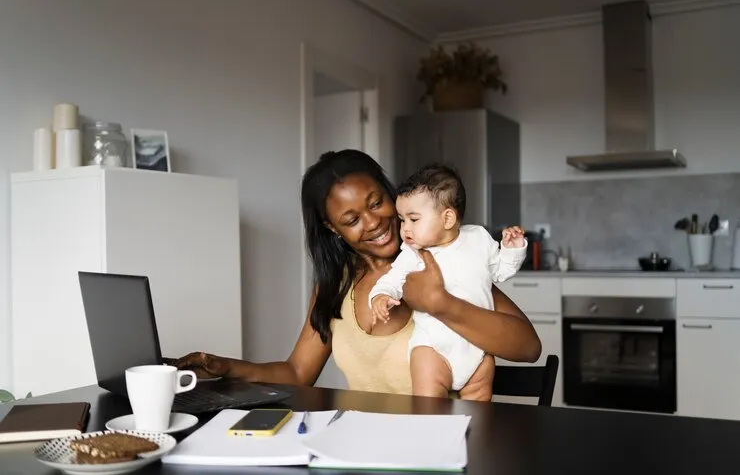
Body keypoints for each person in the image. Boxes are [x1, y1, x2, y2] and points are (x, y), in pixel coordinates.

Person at [173, 150, 541, 397]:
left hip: (444, 445)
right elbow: (298, 372)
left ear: (391, 194)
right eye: (351, 220)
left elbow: (528, 347)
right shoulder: (335, 285)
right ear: (333, 229)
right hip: (366, 447)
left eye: (377, 203)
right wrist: (223, 367)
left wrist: (440, 303)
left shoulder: (439, 261)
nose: (374, 222)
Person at [369, 164, 526, 400]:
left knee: (479, 403)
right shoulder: (412, 254)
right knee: (428, 406)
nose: (405, 229)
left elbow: (502, 271)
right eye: (402, 220)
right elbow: (392, 279)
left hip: (477, 347)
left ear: (448, 218)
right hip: (433, 348)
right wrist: (380, 296)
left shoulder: (479, 239)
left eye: (413, 219)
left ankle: (474, 436)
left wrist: (512, 250)